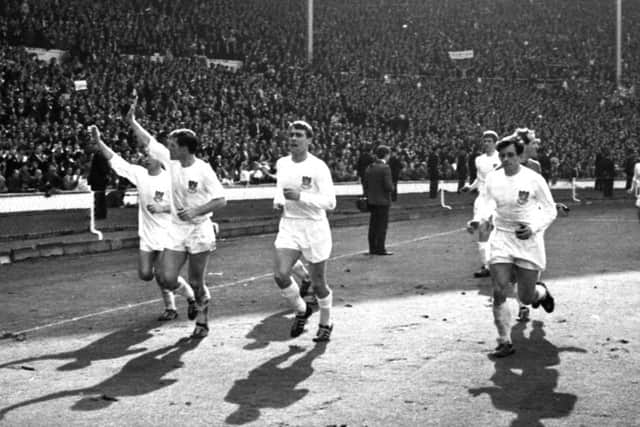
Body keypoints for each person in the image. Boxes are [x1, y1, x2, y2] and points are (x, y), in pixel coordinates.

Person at [127, 102, 226, 339]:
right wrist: (131, 122)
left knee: (196, 280)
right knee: (167, 277)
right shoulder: (170, 160)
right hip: (176, 229)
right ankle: (191, 299)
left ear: (184, 149)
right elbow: (148, 140)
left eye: (172, 145)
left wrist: (196, 211)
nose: (167, 149)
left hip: (199, 230)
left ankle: (202, 318)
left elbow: (221, 199)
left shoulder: (203, 170)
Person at [88, 124, 196, 322]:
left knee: (164, 276)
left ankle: (186, 300)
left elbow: (185, 205)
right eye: (145, 155)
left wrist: (163, 208)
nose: (145, 158)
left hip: (166, 235)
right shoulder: (139, 174)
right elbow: (115, 160)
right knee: (146, 274)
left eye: (148, 155)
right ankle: (176, 303)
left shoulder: (169, 179)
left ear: (159, 159)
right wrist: (98, 141)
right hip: (147, 235)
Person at [482, 136, 557, 358]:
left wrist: (533, 227)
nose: (506, 160)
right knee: (499, 288)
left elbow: (550, 210)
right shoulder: (493, 179)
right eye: (502, 155)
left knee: (525, 297)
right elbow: (486, 203)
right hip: (502, 237)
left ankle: (541, 293)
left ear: (520, 156)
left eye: (510, 155)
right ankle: (504, 340)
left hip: (527, 240)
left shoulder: (534, 179)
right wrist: (482, 219)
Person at [272, 120, 336, 342]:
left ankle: (326, 322)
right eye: (291, 134)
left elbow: (330, 202)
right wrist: (278, 201)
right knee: (280, 274)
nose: (293, 138)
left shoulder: (318, 167)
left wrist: (301, 197)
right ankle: (301, 309)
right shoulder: (282, 163)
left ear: (309, 140)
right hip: (289, 224)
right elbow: (280, 190)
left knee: (318, 284)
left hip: (314, 228)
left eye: (299, 135)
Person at [462, 130, 500, 278]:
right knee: (482, 230)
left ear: (495, 143)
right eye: (484, 141)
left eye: (489, 141)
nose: (486, 143)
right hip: (482, 199)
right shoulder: (479, 159)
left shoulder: (501, 158)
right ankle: (486, 265)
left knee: (493, 231)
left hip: (496, 198)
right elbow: (479, 179)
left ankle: (499, 264)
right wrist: (470, 187)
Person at [363, 145, 394, 255]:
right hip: (383, 201)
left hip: (371, 200)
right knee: (382, 226)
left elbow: (365, 184)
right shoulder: (385, 168)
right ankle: (380, 248)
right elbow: (388, 186)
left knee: (373, 225)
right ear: (386, 155)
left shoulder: (370, 167)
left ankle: (372, 248)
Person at [87, 144, 110, 219]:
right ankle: (101, 213)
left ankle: (99, 214)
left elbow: (103, 169)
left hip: (98, 181)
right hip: (100, 180)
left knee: (99, 198)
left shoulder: (99, 156)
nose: (92, 147)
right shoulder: (100, 155)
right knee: (100, 198)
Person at [627, 157, 640, 222]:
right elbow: (634, 177)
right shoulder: (637, 165)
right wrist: (632, 188)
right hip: (639, 187)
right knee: (639, 205)